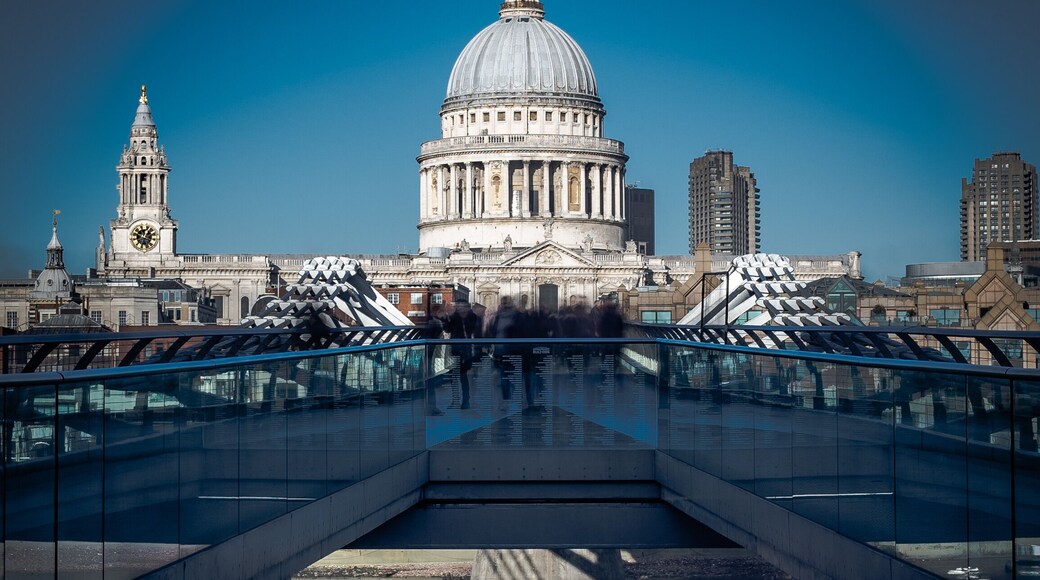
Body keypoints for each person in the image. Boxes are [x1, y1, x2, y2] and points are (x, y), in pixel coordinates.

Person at [445, 299, 481, 409]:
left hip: (466, 349)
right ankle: (456, 400)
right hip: (455, 348)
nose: (459, 308)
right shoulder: (454, 316)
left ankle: (466, 400)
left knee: (463, 376)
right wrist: (448, 317)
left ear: (467, 306)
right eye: (457, 306)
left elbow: (474, 330)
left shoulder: (472, 316)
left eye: (461, 306)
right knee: (453, 376)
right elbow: (447, 329)